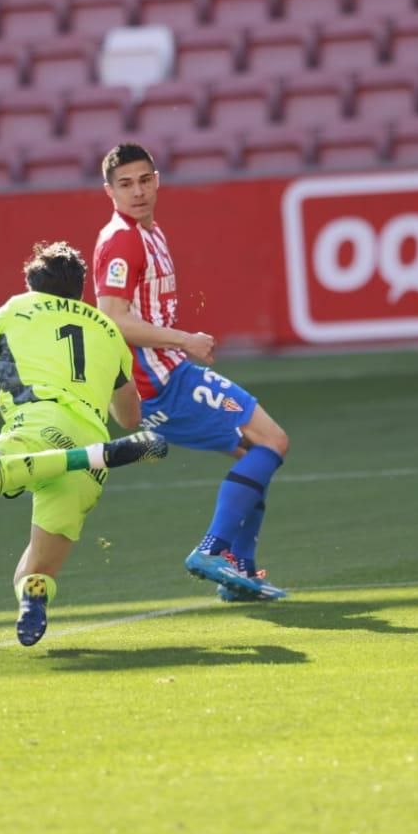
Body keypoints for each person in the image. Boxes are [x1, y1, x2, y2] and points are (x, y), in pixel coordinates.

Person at [91, 144, 289, 602]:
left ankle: (239, 574)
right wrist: (184, 340)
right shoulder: (122, 239)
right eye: (126, 184)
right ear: (110, 191)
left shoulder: (147, 231)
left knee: (253, 455)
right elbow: (113, 318)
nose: (137, 192)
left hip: (164, 378)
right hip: (163, 381)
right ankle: (212, 550)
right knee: (273, 440)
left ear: (157, 180)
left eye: (144, 180)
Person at [0, 240, 168, 647]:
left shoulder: (16, 308)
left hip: (36, 426)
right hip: (89, 450)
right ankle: (34, 596)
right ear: (80, 291)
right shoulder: (108, 330)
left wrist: (4, 358)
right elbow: (130, 418)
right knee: (32, 577)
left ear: (33, 285)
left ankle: (68, 460)